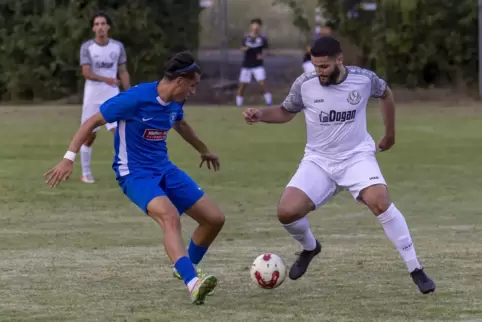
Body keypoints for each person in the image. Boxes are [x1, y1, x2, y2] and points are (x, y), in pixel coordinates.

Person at [243, 36, 436, 295]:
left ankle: (415, 268)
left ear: (339, 60)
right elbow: (286, 112)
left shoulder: (363, 79)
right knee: (286, 213)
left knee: (379, 201)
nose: (319, 72)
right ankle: (311, 248)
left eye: (324, 66)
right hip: (318, 161)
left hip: (357, 157)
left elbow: (386, 93)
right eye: (315, 66)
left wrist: (390, 134)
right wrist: (261, 115)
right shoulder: (305, 84)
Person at [45, 51, 225, 305]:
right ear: (180, 82)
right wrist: (68, 158)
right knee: (169, 216)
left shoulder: (177, 101)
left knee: (214, 219)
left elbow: (180, 124)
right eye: (193, 85)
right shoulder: (134, 99)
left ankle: (185, 266)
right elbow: (92, 122)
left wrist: (203, 150)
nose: (194, 92)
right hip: (134, 173)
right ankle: (192, 282)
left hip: (164, 168)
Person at [79, 11, 131, 184]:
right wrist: (107, 79)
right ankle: (86, 173)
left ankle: (125, 170)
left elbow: (122, 71)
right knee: (89, 135)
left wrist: (129, 93)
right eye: (97, 24)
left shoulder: (117, 47)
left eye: (103, 24)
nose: (100, 27)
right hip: (92, 95)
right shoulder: (88, 47)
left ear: (108, 26)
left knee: (119, 132)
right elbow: (86, 72)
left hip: (112, 95)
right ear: (93, 28)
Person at [236, 18, 272, 107]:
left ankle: (269, 102)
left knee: (262, 83)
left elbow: (266, 50)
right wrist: (246, 48)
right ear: (251, 26)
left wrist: (262, 55)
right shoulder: (246, 37)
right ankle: (239, 104)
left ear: (260, 27)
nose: (255, 27)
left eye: (257, 25)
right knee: (243, 85)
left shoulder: (262, 38)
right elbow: (241, 48)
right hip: (247, 64)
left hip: (258, 64)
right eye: (254, 25)